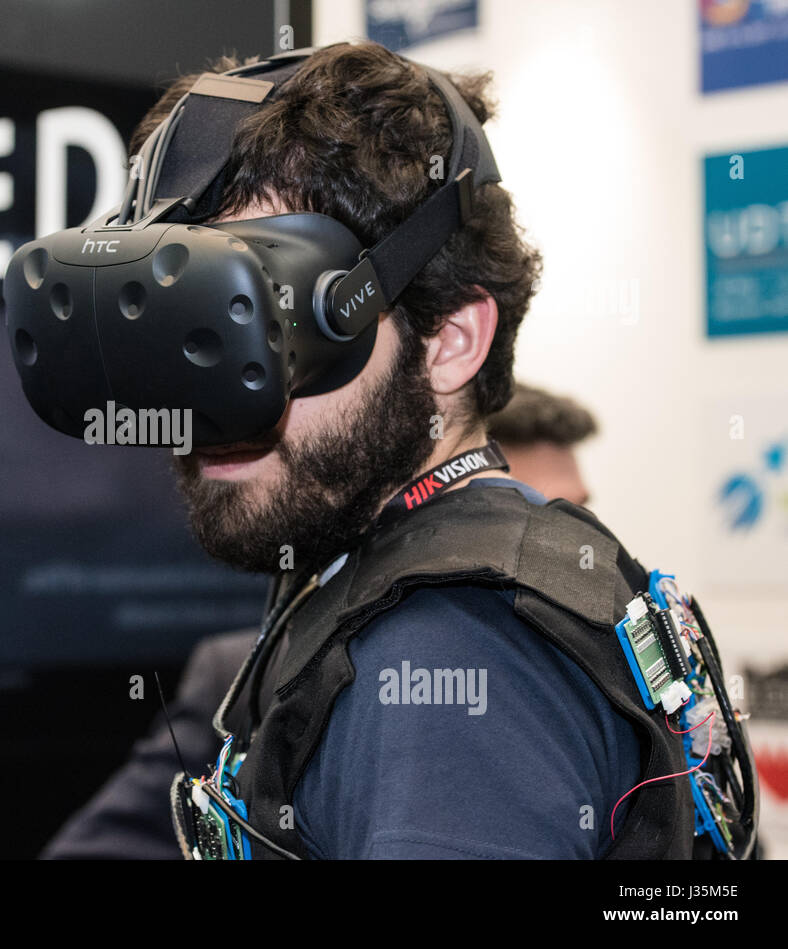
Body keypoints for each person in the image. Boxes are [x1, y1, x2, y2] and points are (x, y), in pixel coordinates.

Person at [34, 40, 700, 861]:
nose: (215, 408)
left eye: (270, 322)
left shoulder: (451, 654)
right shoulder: (397, 581)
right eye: (195, 334)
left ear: (451, 339)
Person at [41, 382, 603, 859]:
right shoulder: (241, 675)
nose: (548, 543)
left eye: (570, 512)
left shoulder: (603, 666)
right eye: (515, 514)